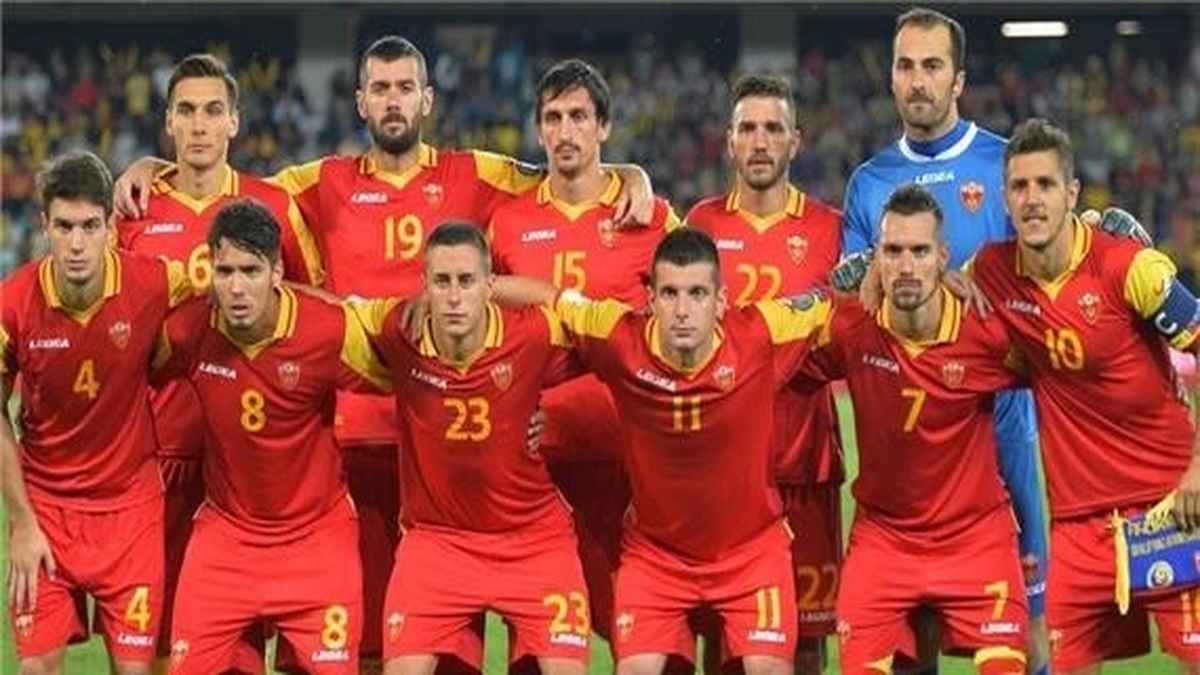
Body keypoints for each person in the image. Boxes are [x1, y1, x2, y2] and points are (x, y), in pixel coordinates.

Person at [114, 38, 655, 670]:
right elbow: (226, 183)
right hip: (357, 442)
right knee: (369, 642)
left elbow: (568, 168)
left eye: (404, 88)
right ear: (360, 101)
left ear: (426, 99)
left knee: (450, 644)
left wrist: (633, 175)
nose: (392, 100)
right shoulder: (322, 181)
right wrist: (155, 165)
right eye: (380, 88)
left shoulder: (475, 172)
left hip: (451, 446)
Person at [515, 228, 834, 675]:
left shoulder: (760, 333)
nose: (682, 310)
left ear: (721, 301)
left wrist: (880, 277)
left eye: (697, 294)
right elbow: (550, 297)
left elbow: (834, 303)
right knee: (635, 670)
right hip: (656, 558)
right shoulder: (619, 338)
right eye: (670, 294)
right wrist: (473, 290)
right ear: (650, 300)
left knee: (768, 668)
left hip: (751, 553)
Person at [840, 8, 1049, 670]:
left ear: (958, 80)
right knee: (914, 628)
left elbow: (1043, 267)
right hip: (914, 440)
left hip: (1005, 424)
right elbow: (858, 295)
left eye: (932, 66)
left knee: (1033, 625)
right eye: (906, 66)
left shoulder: (1002, 163)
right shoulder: (869, 182)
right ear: (891, 78)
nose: (918, 80)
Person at [113, 53, 323, 672]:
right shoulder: (134, 212)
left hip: (263, 468)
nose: (199, 125)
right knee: (165, 647)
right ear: (168, 121)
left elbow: (317, 315)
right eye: (186, 111)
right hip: (164, 459)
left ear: (234, 120)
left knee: (268, 647)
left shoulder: (273, 205)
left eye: (212, 111)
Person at [970, 118, 1200, 675]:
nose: (1032, 199)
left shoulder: (1128, 267)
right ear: (1005, 197)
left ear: (1072, 193)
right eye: (1020, 186)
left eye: (1046, 184)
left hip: (1169, 510)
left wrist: (1198, 471)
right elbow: (938, 290)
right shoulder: (991, 270)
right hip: (1077, 528)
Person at [488, 58, 680, 649]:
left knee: (644, 640)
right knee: (542, 645)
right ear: (539, 129)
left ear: (604, 127)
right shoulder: (506, 223)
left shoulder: (651, 217)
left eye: (578, 116)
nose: (565, 131)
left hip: (632, 460)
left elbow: (684, 335)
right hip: (541, 468)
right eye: (553, 118)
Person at [155, 199, 390, 674]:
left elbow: (408, 377)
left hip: (316, 541)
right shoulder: (188, 330)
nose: (237, 288)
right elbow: (127, 375)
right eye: (225, 272)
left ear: (277, 271)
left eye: (251, 271)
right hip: (226, 539)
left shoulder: (327, 330)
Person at [801, 184, 1028, 674]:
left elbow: (1074, 363)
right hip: (884, 540)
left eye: (920, 251)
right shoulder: (851, 326)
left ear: (943, 257)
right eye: (893, 251)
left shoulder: (985, 329)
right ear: (875, 259)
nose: (905, 266)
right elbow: (759, 354)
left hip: (975, 537)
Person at [352, 222, 593, 675]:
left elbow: (613, 344)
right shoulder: (399, 330)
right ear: (424, 286)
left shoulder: (533, 333)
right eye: (442, 282)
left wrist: (562, 413)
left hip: (534, 541)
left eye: (466, 281)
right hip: (437, 543)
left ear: (490, 286)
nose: (454, 296)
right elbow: (330, 313)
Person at [1, 151, 191, 675]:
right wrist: (21, 523)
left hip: (131, 512)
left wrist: (154, 165)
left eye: (90, 226)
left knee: (136, 670)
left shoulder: (152, 281)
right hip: (47, 511)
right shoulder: (13, 303)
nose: (77, 243)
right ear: (43, 225)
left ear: (111, 227)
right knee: (35, 669)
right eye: (64, 226)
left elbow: (232, 275)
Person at [685, 73, 843, 674]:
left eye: (772, 128)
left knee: (805, 642)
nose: (759, 141)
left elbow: (846, 333)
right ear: (729, 140)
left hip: (804, 462)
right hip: (720, 471)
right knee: (721, 641)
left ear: (795, 141)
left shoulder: (829, 229)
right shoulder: (700, 224)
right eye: (747, 128)